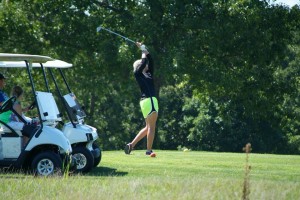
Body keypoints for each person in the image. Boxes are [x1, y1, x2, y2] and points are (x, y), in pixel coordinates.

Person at [124, 42, 159, 156]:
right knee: (152, 127)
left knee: (148, 127)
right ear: (139, 66)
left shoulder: (148, 73)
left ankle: (131, 145)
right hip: (150, 100)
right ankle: (149, 151)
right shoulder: (138, 73)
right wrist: (142, 51)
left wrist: (145, 50)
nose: (147, 65)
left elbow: (150, 61)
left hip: (145, 102)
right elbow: (144, 61)